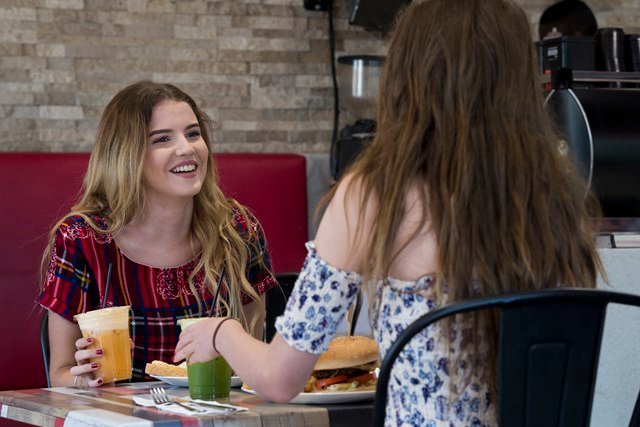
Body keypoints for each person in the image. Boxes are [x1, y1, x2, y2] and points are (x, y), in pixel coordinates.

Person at [174, 0, 603, 424]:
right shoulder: (558, 198)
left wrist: (220, 331)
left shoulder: (375, 195)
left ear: (406, 75)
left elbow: (280, 378)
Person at [37, 81, 277, 388]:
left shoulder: (238, 231)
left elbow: (253, 366)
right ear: (126, 155)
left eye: (193, 133)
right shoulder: (81, 240)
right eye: (163, 139)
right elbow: (60, 374)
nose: (187, 148)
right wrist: (81, 378)